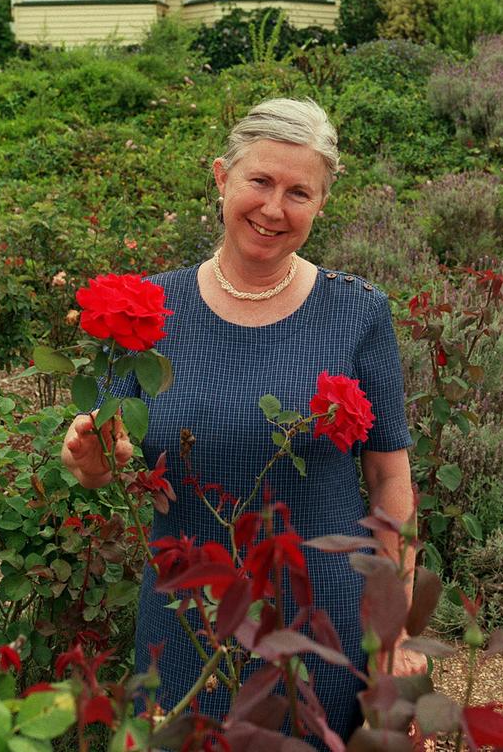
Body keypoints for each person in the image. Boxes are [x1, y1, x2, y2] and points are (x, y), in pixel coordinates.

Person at [61, 97, 419, 742]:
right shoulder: (145, 309)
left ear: (320, 204)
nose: (274, 208)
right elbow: (112, 463)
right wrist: (93, 465)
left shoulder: (357, 313)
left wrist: (391, 634)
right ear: (223, 177)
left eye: (298, 191)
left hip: (322, 622)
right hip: (183, 618)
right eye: (260, 181)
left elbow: (390, 482)